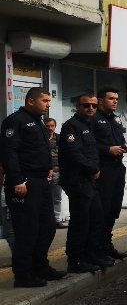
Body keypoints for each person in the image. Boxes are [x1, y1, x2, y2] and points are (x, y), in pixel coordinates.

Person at [1, 88, 66, 287]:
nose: (48, 104)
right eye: (44, 100)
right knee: (27, 231)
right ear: (31, 101)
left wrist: (47, 168)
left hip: (41, 182)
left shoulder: (38, 122)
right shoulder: (16, 120)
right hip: (24, 183)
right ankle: (23, 275)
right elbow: (9, 152)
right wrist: (17, 180)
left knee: (47, 227)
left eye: (49, 100)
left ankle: (40, 267)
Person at [58, 94, 108, 273]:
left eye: (94, 105)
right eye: (86, 105)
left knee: (96, 217)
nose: (91, 108)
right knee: (81, 221)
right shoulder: (72, 126)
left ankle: (90, 254)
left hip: (89, 181)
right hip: (78, 180)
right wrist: (93, 169)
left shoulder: (88, 125)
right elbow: (75, 154)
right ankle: (75, 260)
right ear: (78, 107)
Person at [92, 87, 127, 261]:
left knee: (114, 209)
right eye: (111, 98)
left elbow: (119, 141)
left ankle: (107, 244)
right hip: (103, 169)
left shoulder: (115, 120)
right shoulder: (93, 119)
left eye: (116, 98)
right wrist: (108, 149)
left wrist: (124, 147)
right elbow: (89, 145)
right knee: (102, 210)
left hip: (117, 168)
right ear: (100, 101)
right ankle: (97, 248)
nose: (115, 101)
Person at [47, 117, 67, 228]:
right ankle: (45, 221)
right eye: (47, 126)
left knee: (56, 197)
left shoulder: (59, 138)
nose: (50, 128)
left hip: (57, 171)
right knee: (42, 197)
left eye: (52, 126)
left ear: (55, 126)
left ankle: (56, 220)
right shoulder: (40, 138)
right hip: (43, 173)